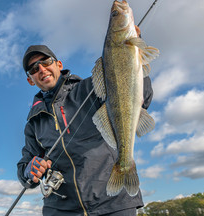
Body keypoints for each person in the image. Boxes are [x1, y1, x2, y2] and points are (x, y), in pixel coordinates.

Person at [17, 39, 153, 215]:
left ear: (58, 64)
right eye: (34, 69)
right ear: (30, 80)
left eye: (46, 62)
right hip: (61, 209)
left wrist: (133, 52)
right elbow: (24, 170)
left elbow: (143, 96)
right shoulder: (33, 124)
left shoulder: (93, 87)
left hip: (113, 202)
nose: (41, 69)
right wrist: (29, 171)